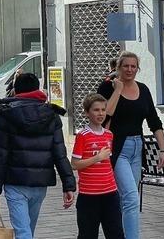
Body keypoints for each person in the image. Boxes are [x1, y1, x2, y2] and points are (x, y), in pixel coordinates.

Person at [0, 73, 75, 239]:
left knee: (23, 232)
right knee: (27, 231)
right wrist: (68, 185)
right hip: (40, 183)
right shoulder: (51, 115)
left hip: (15, 182)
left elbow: (0, 156)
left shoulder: (5, 115)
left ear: (16, 90)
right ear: (37, 89)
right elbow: (60, 153)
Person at [97, 51, 164, 239]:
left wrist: (162, 150)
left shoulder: (143, 89)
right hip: (117, 148)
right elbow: (104, 117)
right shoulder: (107, 88)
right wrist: (118, 90)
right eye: (125, 66)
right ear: (118, 67)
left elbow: (154, 121)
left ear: (138, 68)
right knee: (131, 198)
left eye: (133, 66)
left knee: (125, 198)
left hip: (137, 147)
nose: (129, 69)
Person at [71, 94, 124, 239]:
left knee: (116, 233)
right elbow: (74, 164)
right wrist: (97, 158)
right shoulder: (83, 135)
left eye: (103, 110)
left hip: (110, 193)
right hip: (89, 196)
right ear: (87, 112)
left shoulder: (109, 135)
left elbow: (107, 163)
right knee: (87, 234)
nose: (100, 113)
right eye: (96, 110)